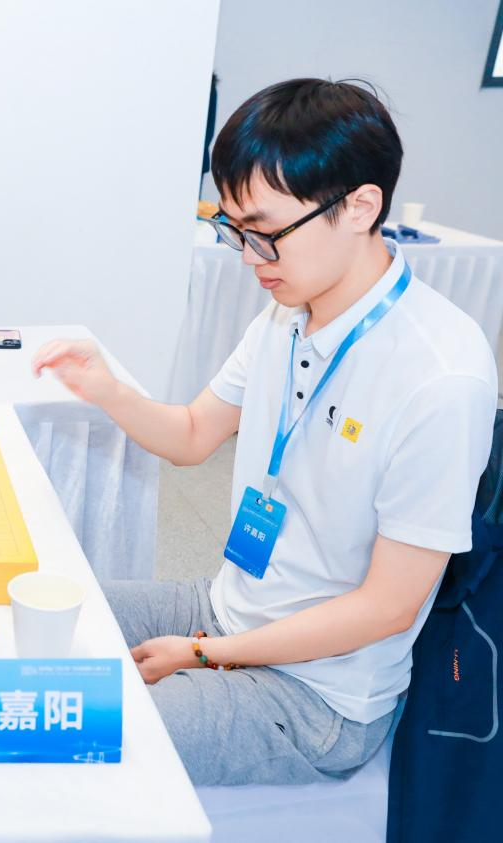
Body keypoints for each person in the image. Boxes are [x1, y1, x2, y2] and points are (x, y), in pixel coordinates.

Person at [33, 78, 497, 786]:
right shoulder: (286, 314)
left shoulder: (439, 375)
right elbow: (194, 433)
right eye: (234, 231)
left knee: (64, 728)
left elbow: (389, 605)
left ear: (360, 207)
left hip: (319, 694)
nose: (249, 257)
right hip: (224, 609)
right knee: (31, 618)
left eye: (265, 231)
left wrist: (204, 655)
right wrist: (107, 389)